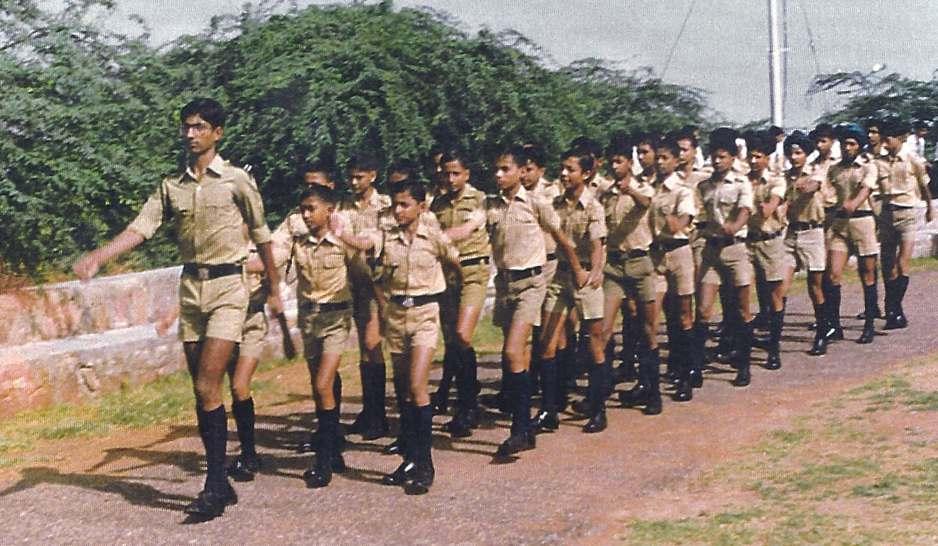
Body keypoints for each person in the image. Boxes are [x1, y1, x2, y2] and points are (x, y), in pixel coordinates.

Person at [72, 98, 282, 519]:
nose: (190, 134)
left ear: (217, 133)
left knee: (208, 383)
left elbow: (261, 236)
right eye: (186, 126)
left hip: (229, 288)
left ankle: (213, 485)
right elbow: (141, 227)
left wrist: (275, 288)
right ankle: (221, 481)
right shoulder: (172, 186)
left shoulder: (237, 180)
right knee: (202, 390)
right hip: (191, 289)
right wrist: (100, 255)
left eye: (199, 127)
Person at [448, 144, 579, 458]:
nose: (498, 175)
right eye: (496, 169)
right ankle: (524, 428)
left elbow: (561, 238)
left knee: (511, 351)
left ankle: (521, 429)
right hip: (505, 284)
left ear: (521, 172)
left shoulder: (536, 203)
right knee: (515, 357)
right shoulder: (489, 204)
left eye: (505, 169)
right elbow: (467, 228)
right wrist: (435, 235)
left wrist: (578, 270)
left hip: (532, 283)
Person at [262, 185, 357, 488]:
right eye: (302, 209)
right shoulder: (298, 243)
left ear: (329, 210)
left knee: (323, 383)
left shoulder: (343, 242)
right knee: (319, 387)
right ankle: (333, 447)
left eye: (311, 209)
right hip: (310, 319)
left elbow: (363, 272)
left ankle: (323, 460)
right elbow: (272, 262)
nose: (305, 215)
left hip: (336, 319)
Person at [374, 181, 460, 494]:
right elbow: (375, 272)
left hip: (426, 314)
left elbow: (455, 263)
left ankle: (425, 464)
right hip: (397, 314)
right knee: (403, 391)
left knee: (417, 386)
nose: (398, 211)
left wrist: (449, 301)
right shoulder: (387, 238)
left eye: (405, 205)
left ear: (421, 207)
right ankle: (409, 459)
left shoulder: (433, 236)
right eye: (395, 205)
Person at [537, 148, 608, 433]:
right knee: (547, 341)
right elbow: (558, 240)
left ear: (587, 174)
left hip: (585, 277)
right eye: (563, 168)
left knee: (594, 342)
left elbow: (598, 244)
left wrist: (596, 271)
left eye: (571, 169)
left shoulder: (593, 207)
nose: (564, 174)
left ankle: (598, 408)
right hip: (562, 275)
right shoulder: (554, 204)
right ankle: (548, 409)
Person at [429, 149, 492, 437]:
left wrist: (440, 237)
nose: (451, 179)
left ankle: (468, 404)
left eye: (456, 173)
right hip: (447, 275)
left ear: (467, 174)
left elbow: (468, 229)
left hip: (473, 271)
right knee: (453, 341)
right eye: (446, 174)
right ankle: (467, 403)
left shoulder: (480, 199)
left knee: (463, 335)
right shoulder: (437, 204)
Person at [598, 134, 660, 416]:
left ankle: (652, 392)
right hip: (613, 266)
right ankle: (598, 398)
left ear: (630, 163)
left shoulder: (643, 187)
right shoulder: (606, 193)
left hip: (639, 263)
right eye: (612, 162)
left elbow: (646, 203)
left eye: (619, 161)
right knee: (603, 330)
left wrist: (630, 191)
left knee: (648, 329)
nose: (615, 166)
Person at [693, 128, 755, 389]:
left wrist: (734, 226)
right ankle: (695, 367)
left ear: (732, 157)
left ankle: (744, 365)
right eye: (714, 157)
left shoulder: (741, 183)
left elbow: (745, 210)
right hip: (711, 251)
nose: (717, 161)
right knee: (703, 309)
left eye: (722, 157)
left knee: (743, 309)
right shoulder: (704, 186)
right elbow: (699, 215)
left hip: (735, 250)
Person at [339, 154, 391, 441]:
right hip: (356, 283)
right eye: (351, 177)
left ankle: (379, 415)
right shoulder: (343, 207)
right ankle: (370, 411)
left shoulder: (385, 207)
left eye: (359, 177)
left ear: (373, 175)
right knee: (364, 349)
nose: (354, 182)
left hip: (380, 283)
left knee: (373, 345)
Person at [823, 123, 881, 344]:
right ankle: (834, 325)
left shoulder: (868, 166)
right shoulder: (834, 169)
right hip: (840, 224)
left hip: (862, 221)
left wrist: (853, 203)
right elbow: (827, 192)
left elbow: (866, 189)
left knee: (867, 273)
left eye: (851, 144)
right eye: (844, 144)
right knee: (833, 274)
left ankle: (869, 325)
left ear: (859, 146)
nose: (847, 148)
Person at [875, 118, 934, 330]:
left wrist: (930, 207)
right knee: (887, 263)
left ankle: (894, 307)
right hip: (886, 213)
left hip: (907, 212)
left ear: (900, 138)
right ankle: (894, 310)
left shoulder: (912, 159)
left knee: (902, 263)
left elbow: (924, 185)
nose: (886, 141)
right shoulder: (878, 162)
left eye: (889, 137)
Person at [780, 131, 830, 356]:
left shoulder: (816, 172)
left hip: (813, 233)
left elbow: (811, 186)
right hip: (792, 233)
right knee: (780, 286)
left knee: (815, 286)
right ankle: (774, 337)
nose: (794, 157)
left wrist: (799, 184)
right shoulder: (784, 177)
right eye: (791, 153)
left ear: (807, 154)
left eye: (799, 153)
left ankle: (822, 333)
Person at [744, 131, 788, 370]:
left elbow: (767, 210)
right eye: (750, 156)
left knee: (774, 295)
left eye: (758, 157)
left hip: (770, 242)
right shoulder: (742, 180)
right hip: (746, 242)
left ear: (767, 158)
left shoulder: (776, 181)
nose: (753, 161)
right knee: (742, 293)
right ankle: (742, 345)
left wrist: (749, 205)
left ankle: (774, 347)